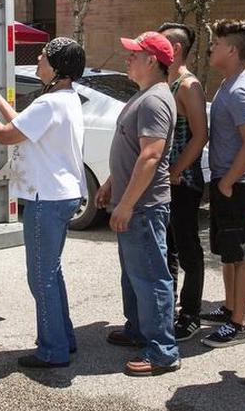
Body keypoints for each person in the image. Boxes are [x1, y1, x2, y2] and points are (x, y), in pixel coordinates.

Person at [0, 37, 87, 368]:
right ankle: (64, 338)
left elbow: (6, 135)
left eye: (44, 57)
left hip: (45, 197)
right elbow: (20, 124)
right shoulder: (65, 98)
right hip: (63, 194)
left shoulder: (50, 104)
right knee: (52, 271)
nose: (38, 62)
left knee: (41, 276)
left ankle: (53, 350)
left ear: (58, 68)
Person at [94, 31, 180, 376]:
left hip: (143, 207)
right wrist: (110, 184)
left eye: (134, 54)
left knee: (151, 278)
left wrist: (126, 205)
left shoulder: (155, 100)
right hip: (135, 203)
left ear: (152, 61)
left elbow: (151, 156)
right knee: (135, 275)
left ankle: (162, 352)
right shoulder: (145, 96)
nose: (127, 58)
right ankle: (138, 331)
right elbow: (132, 150)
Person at [199, 19, 245, 349]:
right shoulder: (229, 82)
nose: (211, 48)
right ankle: (229, 309)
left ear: (233, 50)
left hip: (238, 185)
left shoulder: (241, 90)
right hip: (228, 183)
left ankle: (239, 325)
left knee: (241, 255)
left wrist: (227, 182)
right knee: (228, 254)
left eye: (216, 43)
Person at [157, 22, 209, 340]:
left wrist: (175, 171)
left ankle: (190, 314)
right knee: (168, 250)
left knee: (189, 250)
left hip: (185, 183)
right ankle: (168, 308)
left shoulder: (188, 86)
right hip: (166, 183)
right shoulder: (165, 82)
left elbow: (200, 135)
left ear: (175, 49)